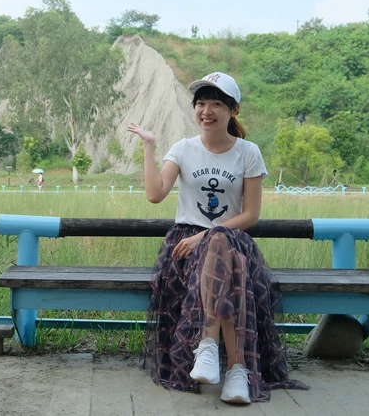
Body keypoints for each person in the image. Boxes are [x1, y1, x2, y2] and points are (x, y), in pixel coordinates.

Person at [128, 71, 308, 404]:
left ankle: (209, 348)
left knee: (221, 245)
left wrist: (209, 235)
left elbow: (251, 214)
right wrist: (149, 145)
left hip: (233, 239)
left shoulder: (248, 152)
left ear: (233, 110)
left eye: (216, 104)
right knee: (227, 265)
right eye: (201, 104)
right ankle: (237, 371)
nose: (206, 111)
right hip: (185, 246)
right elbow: (155, 194)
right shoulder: (182, 149)